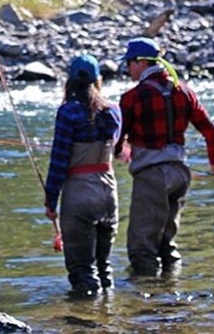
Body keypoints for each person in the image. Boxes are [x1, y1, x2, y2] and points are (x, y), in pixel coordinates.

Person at [116, 37, 214, 277]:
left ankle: (146, 305)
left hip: (151, 177)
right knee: (167, 245)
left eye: (129, 63)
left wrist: (119, 152)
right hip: (180, 174)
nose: (127, 68)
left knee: (142, 249)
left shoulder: (132, 98)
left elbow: (118, 139)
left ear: (141, 62)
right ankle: (172, 294)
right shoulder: (185, 91)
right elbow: (210, 130)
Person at [44, 54, 122, 297]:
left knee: (82, 273)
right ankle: (109, 317)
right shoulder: (113, 112)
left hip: (80, 195)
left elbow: (59, 161)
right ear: (98, 80)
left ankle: (84, 323)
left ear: (70, 81)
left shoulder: (68, 113)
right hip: (109, 193)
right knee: (104, 269)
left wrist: (50, 201)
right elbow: (118, 149)